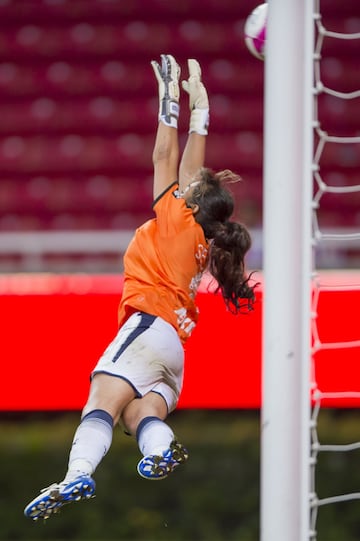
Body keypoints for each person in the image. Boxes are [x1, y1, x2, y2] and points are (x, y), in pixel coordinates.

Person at [24, 54, 256, 521]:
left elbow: (163, 158)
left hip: (148, 327)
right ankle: (157, 451)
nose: (185, 186)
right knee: (138, 416)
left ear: (192, 203)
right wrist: (203, 112)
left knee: (100, 403)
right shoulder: (200, 235)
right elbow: (191, 172)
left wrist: (168, 100)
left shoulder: (176, 219)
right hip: (172, 351)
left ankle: (76, 474)